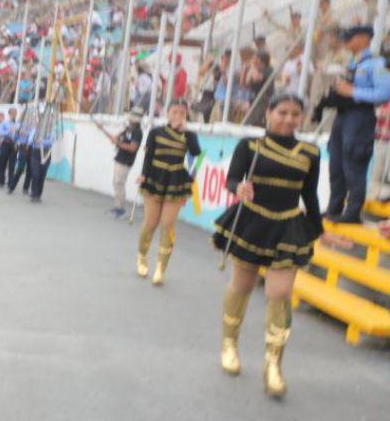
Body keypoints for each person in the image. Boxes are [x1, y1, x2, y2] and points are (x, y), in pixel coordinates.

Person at [211, 92, 335, 397]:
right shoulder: (250, 146)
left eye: (296, 113)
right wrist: (238, 188)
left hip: (288, 224)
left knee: (280, 293)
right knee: (241, 285)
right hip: (253, 222)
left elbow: (310, 196)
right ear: (269, 112)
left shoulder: (310, 152)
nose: (289, 119)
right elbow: (231, 180)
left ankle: (273, 364)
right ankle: (229, 344)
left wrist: (319, 230)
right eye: (283, 112)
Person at [320, 25, 390, 223]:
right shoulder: (353, 63)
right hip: (343, 117)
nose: (346, 40)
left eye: (351, 37)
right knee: (336, 163)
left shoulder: (376, 63)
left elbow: (385, 92)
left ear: (365, 38)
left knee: (353, 164)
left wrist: (352, 92)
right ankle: (334, 206)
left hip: (360, 117)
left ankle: (352, 212)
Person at [135, 98, 201, 286]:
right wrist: (143, 175)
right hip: (155, 176)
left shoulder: (189, 135)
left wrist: (186, 132)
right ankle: (141, 257)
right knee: (150, 222)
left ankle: (161, 268)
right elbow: (149, 156)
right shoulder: (156, 132)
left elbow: (196, 152)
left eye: (182, 113)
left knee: (168, 224)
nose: (178, 116)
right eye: (174, 112)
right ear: (167, 113)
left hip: (175, 180)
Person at [109, 108, 144, 217]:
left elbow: (133, 148)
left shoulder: (137, 131)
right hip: (119, 158)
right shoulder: (129, 128)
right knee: (116, 182)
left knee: (119, 183)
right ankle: (117, 206)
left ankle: (120, 209)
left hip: (126, 161)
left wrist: (118, 143)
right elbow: (118, 136)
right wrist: (115, 138)